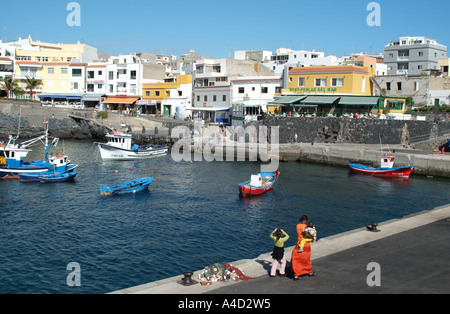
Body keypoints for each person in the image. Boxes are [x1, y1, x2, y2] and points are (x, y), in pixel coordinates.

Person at [291, 215, 316, 280]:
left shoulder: (297, 226)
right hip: (306, 244)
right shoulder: (305, 227)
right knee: (306, 259)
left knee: (296, 258)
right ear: (305, 220)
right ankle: (309, 272)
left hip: (299, 243)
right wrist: (312, 237)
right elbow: (307, 234)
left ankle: (296, 274)